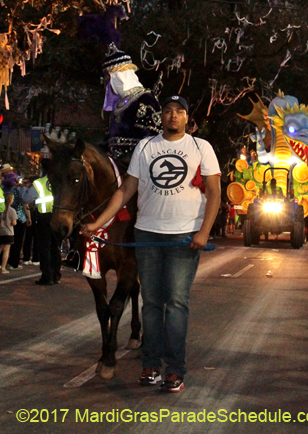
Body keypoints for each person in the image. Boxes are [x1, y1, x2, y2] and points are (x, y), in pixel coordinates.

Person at [82, 95, 221, 393]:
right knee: (152, 304)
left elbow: (214, 191)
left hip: (184, 237)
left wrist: (204, 232)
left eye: (179, 112)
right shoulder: (146, 147)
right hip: (147, 235)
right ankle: (150, 366)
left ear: (187, 118)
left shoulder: (201, 147)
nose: (173, 116)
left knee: (176, 303)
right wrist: (98, 222)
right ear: (161, 117)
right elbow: (127, 189)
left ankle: (174, 370)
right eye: (168, 112)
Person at [0, 192, 17, 275]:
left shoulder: (0, 209)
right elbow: (14, 222)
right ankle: (3, 268)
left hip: (0, 231)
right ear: (10, 200)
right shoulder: (12, 210)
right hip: (9, 232)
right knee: (6, 250)